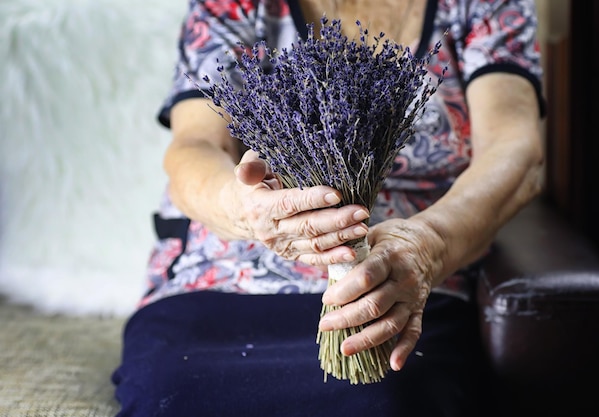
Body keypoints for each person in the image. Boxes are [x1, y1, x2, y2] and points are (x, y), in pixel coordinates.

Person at [111, 0, 545, 416]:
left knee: (392, 398)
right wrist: (241, 208)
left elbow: (516, 150)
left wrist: (427, 246)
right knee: (180, 396)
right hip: (224, 278)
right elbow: (195, 146)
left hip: (402, 282)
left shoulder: (481, 4)